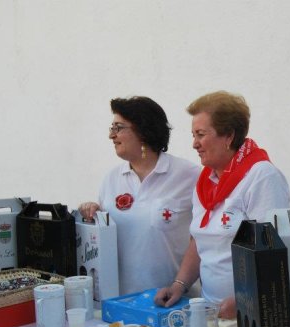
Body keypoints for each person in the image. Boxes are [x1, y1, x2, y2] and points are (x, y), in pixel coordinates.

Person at [154, 91, 290, 319]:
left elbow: (272, 252)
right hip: (212, 313)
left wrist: (246, 300)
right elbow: (200, 241)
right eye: (193, 135)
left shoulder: (261, 176)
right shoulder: (205, 182)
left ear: (228, 136)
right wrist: (179, 284)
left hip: (252, 315)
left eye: (201, 135)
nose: (194, 144)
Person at [79, 96, 200, 295]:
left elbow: (206, 238)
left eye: (118, 127)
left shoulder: (189, 175)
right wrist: (93, 214)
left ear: (143, 131)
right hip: (119, 300)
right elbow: (104, 237)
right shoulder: (111, 178)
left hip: (171, 300)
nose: (111, 135)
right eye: (112, 127)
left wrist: (179, 285)